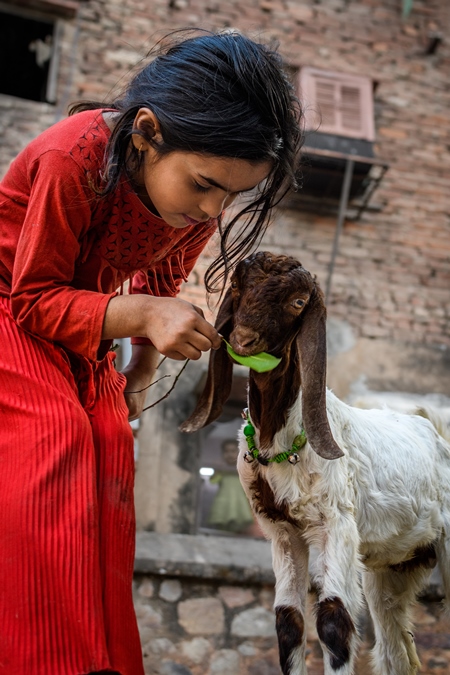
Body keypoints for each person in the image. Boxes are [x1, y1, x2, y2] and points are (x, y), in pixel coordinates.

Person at [0, 29, 303, 675]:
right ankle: (37, 659)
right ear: (145, 131)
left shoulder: (195, 207)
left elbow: (159, 280)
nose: (213, 209)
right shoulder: (71, 157)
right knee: (56, 437)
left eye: (232, 195)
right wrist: (139, 314)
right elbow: (32, 298)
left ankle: (96, 659)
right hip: (13, 309)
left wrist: (142, 364)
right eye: (204, 184)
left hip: (77, 323)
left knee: (111, 445)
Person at [207, 439, 255, 534]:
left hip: (239, 503)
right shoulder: (221, 469)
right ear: (222, 454)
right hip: (223, 503)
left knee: (238, 531)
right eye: (226, 451)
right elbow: (212, 481)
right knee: (221, 529)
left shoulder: (243, 469)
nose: (229, 454)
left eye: (233, 451)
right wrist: (217, 470)